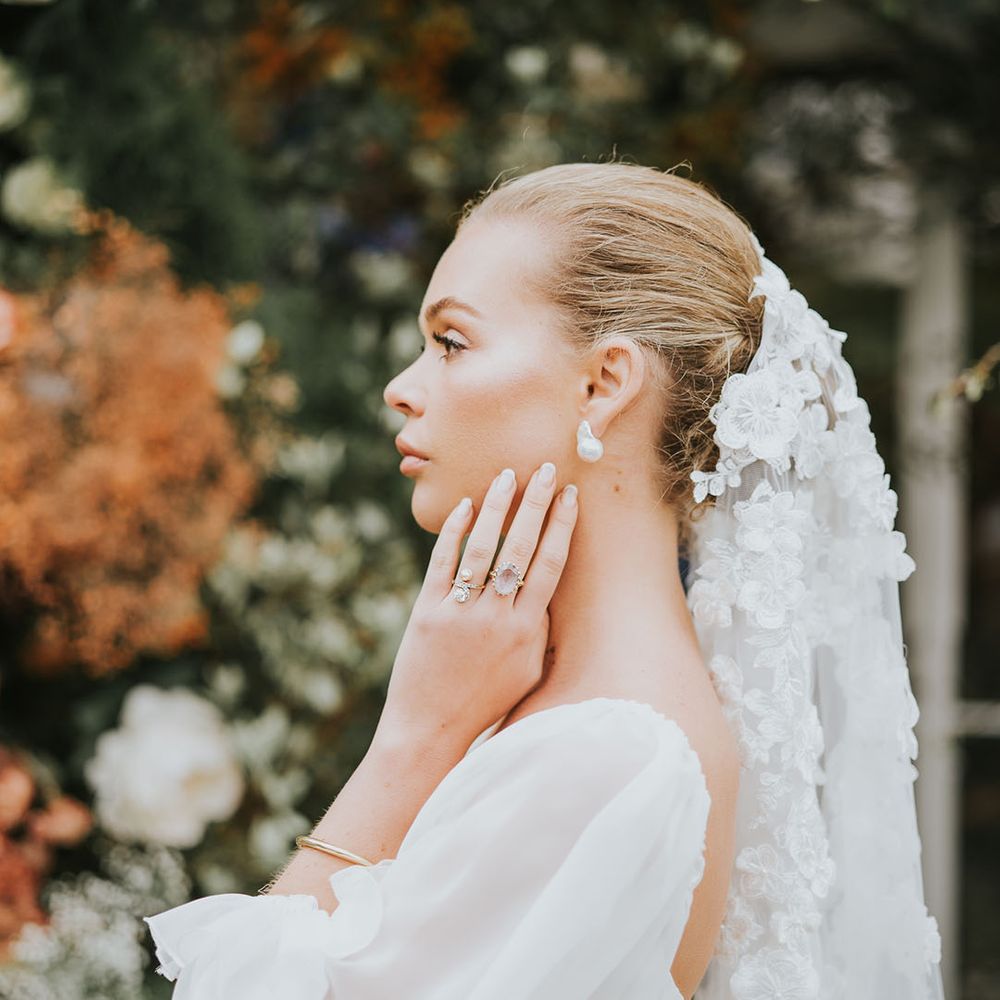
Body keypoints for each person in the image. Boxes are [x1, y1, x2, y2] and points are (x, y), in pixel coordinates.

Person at [143, 161, 944, 999]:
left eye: (452, 342)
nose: (401, 389)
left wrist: (412, 742)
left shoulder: (606, 754)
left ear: (603, 384)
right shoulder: (583, 712)